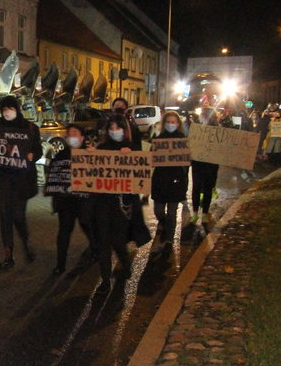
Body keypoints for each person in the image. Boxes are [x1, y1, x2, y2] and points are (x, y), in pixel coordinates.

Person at [0, 96, 43, 270]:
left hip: (22, 180)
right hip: (3, 179)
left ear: (17, 109)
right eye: (4, 109)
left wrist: (32, 155)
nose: (7, 112)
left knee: (17, 215)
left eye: (10, 108)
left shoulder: (30, 128)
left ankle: (26, 242)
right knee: (4, 215)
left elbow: (37, 149)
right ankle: (8, 255)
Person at [86, 113, 137, 293]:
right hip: (101, 203)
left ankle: (125, 263)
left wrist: (129, 158)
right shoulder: (101, 148)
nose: (115, 131)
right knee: (103, 243)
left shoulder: (131, 148)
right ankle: (106, 280)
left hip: (120, 205)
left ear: (124, 130)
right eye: (112, 128)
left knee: (118, 242)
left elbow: (139, 178)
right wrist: (90, 156)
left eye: (118, 128)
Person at [44, 124, 94, 274]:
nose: (71, 136)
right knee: (64, 232)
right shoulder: (60, 155)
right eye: (69, 133)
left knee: (89, 228)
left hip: (84, 201)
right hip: (66, 202)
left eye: (75, 133)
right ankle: (60, 264)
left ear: (82, 137)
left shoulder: (90, 154)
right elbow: (54, 174)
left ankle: (96, 252)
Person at [149, 111, 188, 256]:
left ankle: (169, 240)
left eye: (174, 122)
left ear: (178, 124)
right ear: (164, 123)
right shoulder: (158, 139)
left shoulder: (183, 140)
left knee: (172, 213)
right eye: (168, 122)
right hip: (160, 180)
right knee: (158, 210)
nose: (171, 124)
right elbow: (150, 159)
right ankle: (163, 223)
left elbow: (186, 164)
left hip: (176, 181)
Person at [190, 112, 220, 226]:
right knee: (196, 188)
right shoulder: (196, 130)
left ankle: (204, 213)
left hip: (211, 164)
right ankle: (195, 212)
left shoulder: (218, 131)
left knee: (208, 188)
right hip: (198, 163)